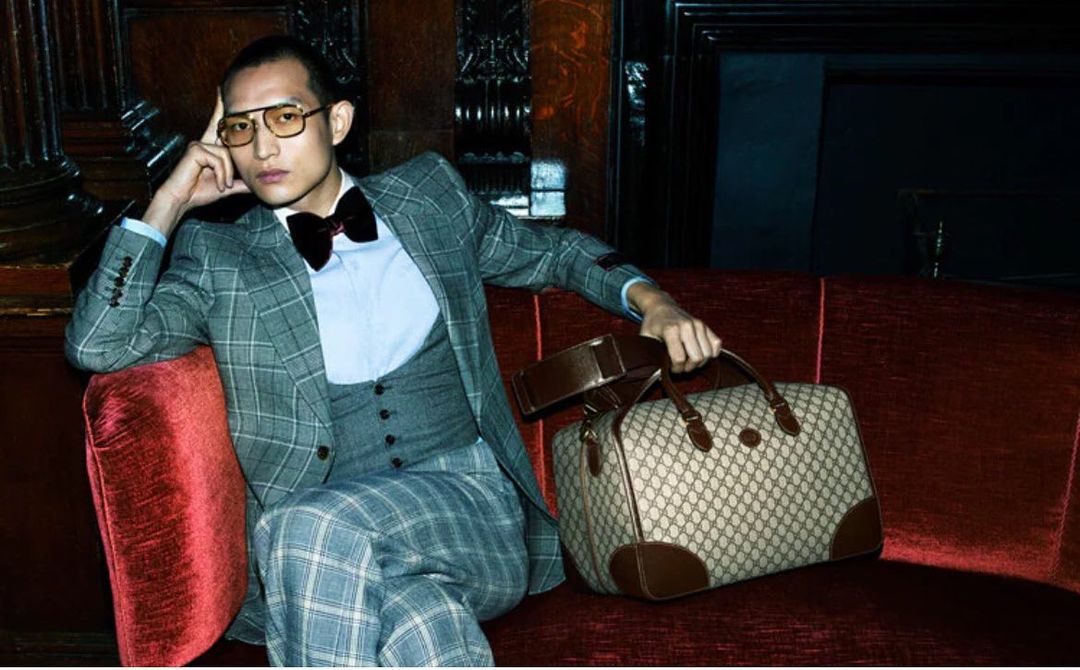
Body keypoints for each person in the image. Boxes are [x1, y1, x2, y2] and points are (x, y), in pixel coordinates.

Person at [66, 35, 723, 666]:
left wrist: (653, 302)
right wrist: (170, 200)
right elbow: (97, 343)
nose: (263, 147)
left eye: (286, 118)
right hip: (329, 558)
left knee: (306, 528)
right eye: (241, 128)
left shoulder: (428, 199)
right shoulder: (221, 257)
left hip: (468, 512)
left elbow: (555, 252)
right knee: (426, 630)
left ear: (337, 121)